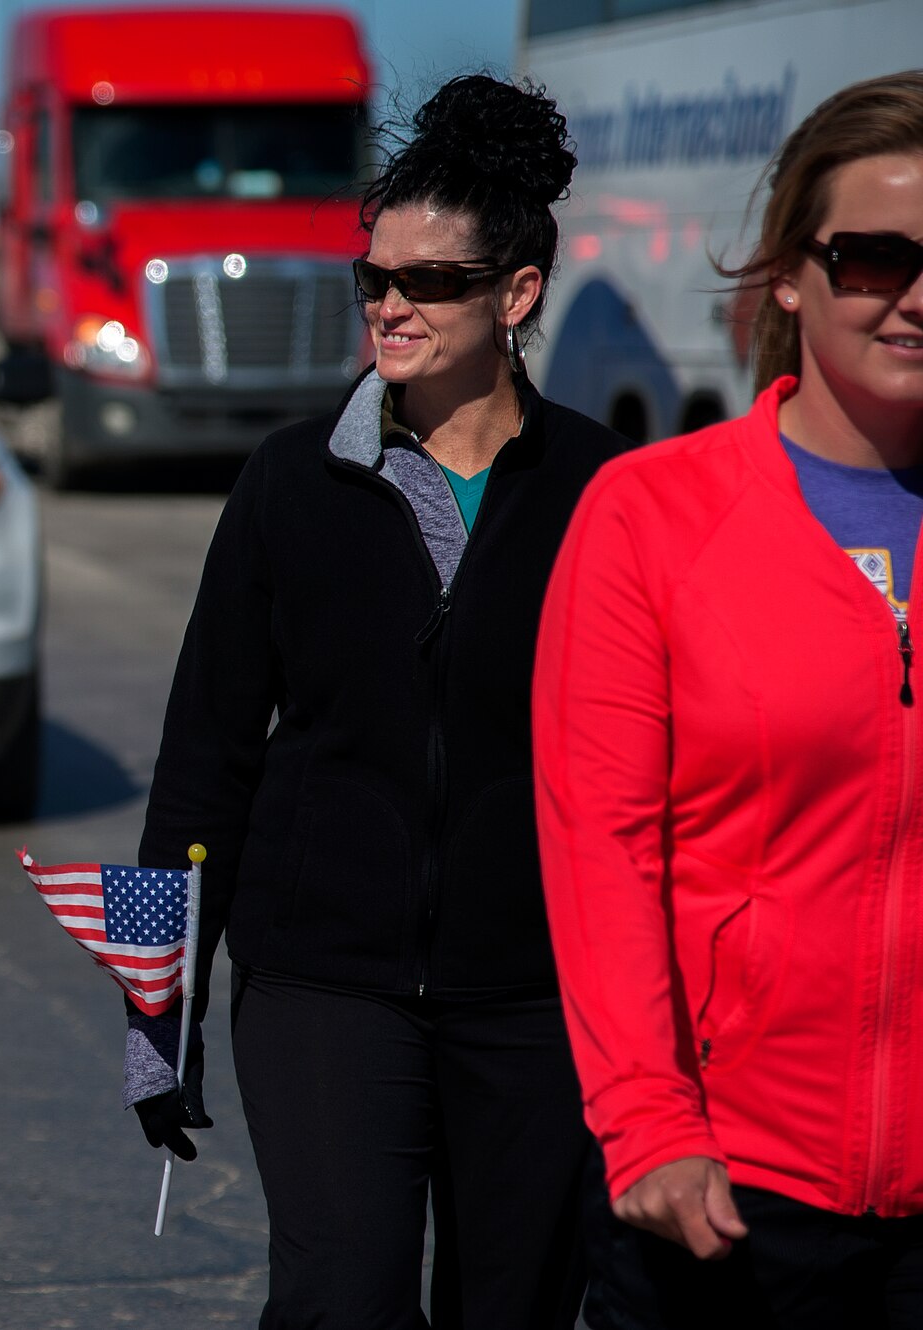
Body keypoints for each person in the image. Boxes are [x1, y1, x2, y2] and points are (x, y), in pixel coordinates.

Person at [125, 74, 629, 1326]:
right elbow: (202, 758)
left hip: (536, 997)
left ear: (513, 296)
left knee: (510, 1307)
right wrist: (154, 1009)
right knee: (339, 1295)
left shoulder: (609, 493)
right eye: (373, 279)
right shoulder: (289, 483)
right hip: (319, 983)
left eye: (428, 282)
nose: (389, 304)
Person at [534, 71, 923, 1327]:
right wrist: (644, 1121)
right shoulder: (649, 515)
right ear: (791, 277)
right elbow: (599, 844)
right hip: (724, 1195)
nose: (911, 297)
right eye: (871, 258)